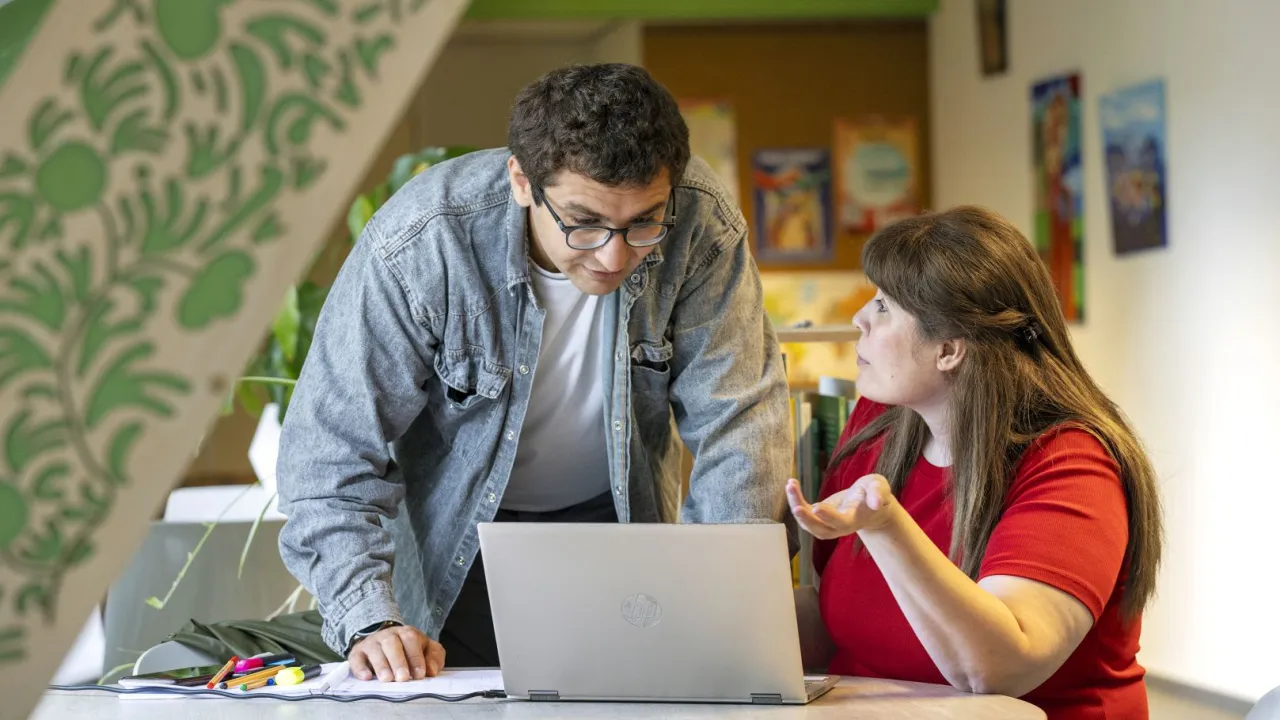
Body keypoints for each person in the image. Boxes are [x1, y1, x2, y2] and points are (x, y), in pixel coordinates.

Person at [276, 63, 791, 684]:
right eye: (584, 221)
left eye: (644, 223)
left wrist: (723, 607)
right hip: (458, 541)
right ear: (522, 179)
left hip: (619, 526)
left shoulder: (701, 223)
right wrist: (368, 618)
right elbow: (329, 451)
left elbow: (739, 421)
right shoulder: (423, 241)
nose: (614, 255)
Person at [787, 206, 1163, 719]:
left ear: (948, 349)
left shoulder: (1073, 463)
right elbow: (837, 617)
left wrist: (886, 527)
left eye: (883, 307)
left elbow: (998, 668)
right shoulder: (880, 423)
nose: (859, 320)